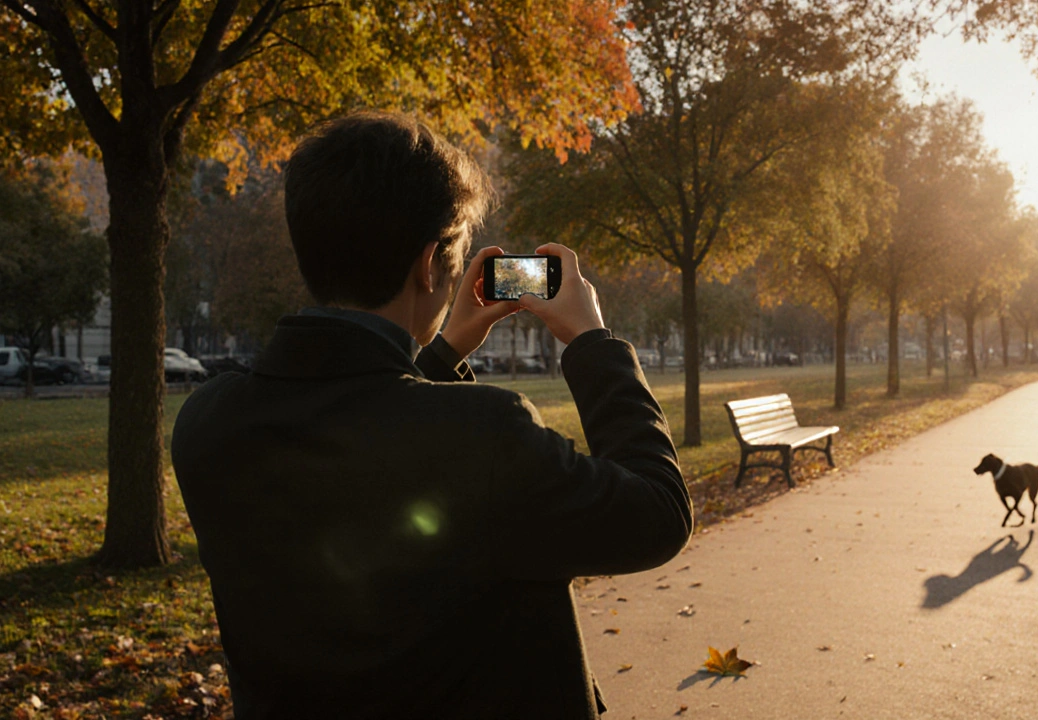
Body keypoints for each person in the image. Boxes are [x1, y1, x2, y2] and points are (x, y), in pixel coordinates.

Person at [171, 112, 692, 719]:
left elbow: (369, 448)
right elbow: (656, 515)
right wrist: (591, 342)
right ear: (429, 264)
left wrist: (440, 354)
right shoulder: (485, 436)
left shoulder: (208, 422)